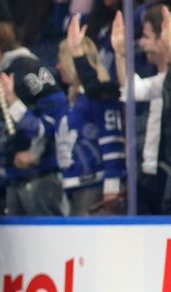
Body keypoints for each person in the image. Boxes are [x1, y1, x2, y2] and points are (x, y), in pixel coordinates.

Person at [0, 20, 69, 216]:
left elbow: (57, 109)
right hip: (14, 175)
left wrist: (35, 153)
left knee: (45, 238)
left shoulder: (27, 67)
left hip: (39, 174)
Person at [55, 13, 125, 215]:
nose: (57, 66)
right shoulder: (72, 100)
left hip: (94, 186)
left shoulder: (100, 95)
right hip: (72, 185)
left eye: (61, 60)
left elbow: (112, 139)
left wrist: (112, 186)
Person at [111, 5, 170, 214]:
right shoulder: (160, 81)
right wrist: (120, 54)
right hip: (150, 173)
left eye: (146, 36)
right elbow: (132, 90)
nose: (142, 43)